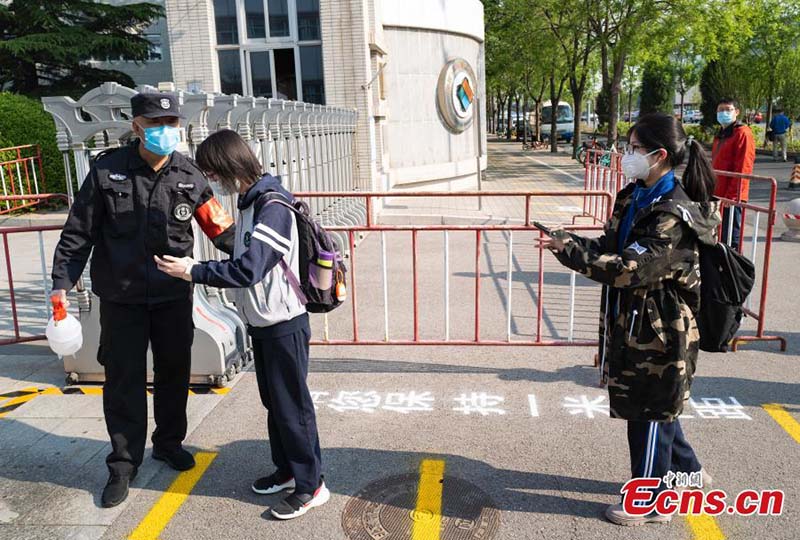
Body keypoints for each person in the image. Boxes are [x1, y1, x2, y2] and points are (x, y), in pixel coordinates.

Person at [51, 93, 236, 508]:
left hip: (172, 297)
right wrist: (62, 282)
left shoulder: (189, 175)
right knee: (123, 380)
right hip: (122, 298)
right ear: (136, 126)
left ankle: (169, 443)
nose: (165, 130)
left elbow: (221, 229)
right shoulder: (106, 172)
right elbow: (79, 232)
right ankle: (123, 463)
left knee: (175, 373)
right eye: (156, 123)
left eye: (172, 122)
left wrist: (263, 251)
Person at [546, 113, 720, 526]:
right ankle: (688, 471)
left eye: (634, 148)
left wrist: (571, 254)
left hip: (662, 330)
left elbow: (630, 269)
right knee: (654, 405)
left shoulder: (673, 213)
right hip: (632, 320)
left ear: (659, 156)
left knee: (650, 412)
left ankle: (652, 500)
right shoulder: (633, 196)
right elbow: (611, 245)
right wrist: (568, 241)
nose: (626, 155)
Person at [155, 129, 328, 520]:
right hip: (264, 320)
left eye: (214, 172)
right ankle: (288, 470)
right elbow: (240, 254)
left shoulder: (272, 205)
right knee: (275, 403)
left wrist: (193, 270)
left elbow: (250, 268)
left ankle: (311, 485)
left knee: (292, 406)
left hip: (284, 322)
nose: (213, 180)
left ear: (230, 165)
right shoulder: (252, 201)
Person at [711, 98, 755, 251]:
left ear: (736, 112)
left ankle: (734, 265)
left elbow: (743, 167)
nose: (723, 113)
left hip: (731, 196)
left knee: (731, 238)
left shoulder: (742, 133)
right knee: (719, 236)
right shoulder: (721, 134)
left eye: (727, 109)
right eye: (720, 110)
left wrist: (733, 196)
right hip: (718, 193)